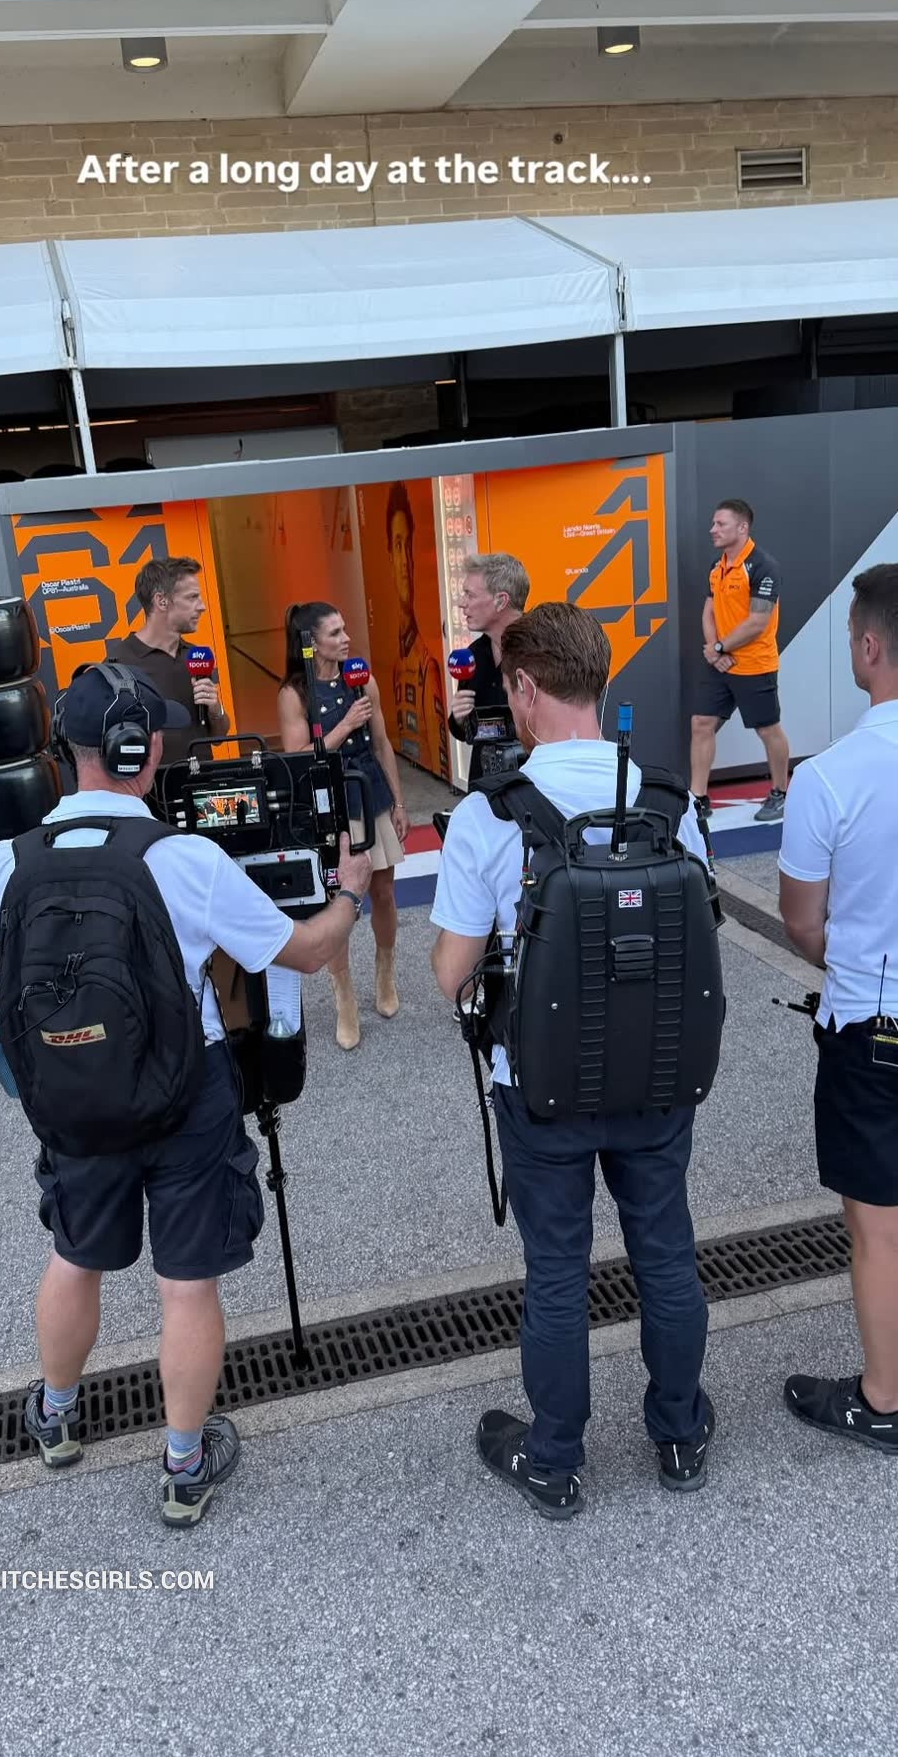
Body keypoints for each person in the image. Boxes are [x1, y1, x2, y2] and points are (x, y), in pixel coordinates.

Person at [0, 662, 373, 1526]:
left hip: (73, 1098)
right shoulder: (185, 858)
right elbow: (306, 952)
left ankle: (55, 1416)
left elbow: (1, 974)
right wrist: (350, 890)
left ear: (67, 749)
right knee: (186, 1286)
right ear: (142, 750)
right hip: (185, 1095)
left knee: (74, 1254)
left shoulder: (4, 864)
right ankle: (183, 1468)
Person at [431, 602, 715, 1519]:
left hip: (540, 1084)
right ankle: (679, 1433)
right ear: (598, 681)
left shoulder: (490, 813)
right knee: (665, 1251)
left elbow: (450, 975)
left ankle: (553, 1460)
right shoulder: (669, 801)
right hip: (660, 1077)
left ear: (523, 688)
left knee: (557, 1269)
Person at [778, 563, 898, 1454]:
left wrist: (850, 962)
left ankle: (884, 1399)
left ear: (868, 646)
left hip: (873, 1020)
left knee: (877, 1226)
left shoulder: (828, 778)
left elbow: (800, 920)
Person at [277, 601, 410, 1052]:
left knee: (384, 891)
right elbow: (298, 757)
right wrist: (344, 726)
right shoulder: (294, 693)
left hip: (371, 791)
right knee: (340, 902)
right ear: (311, 643)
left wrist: (399, 802)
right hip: (329, 802)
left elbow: (382, 744)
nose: (346, 638)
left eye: (344, 629)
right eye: (334, 633)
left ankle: (385, 973)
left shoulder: (362, 679)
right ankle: (344, 996)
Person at [690, 498, 789, 824]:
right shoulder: (716, 566)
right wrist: (713, 650)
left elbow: (758, 622)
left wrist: (719, 647)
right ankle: (698, 799)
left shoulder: (763, 566)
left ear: (742, 527)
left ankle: (780, 792)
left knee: (768, 729)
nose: (713, 529)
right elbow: (708, 612)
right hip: (720, 664)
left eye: (720, 524)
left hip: (754, 664)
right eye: (713, 523)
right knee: (701, 723)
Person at [107, 556, 230, 763]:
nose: (202, 606)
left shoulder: (196, 657)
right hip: (153, 782)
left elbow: (218, 736)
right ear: (161, 601)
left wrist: (215, 708)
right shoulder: (120, 665)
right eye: (192, 597)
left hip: (203, 777)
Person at [386, 481, 449, 780]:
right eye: (397, 545)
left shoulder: (428, 670)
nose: (405, 562)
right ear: (390, 556)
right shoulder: (397, 668)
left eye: (408, 545)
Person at [448, 552, 530, 745]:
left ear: (501, 601)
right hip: (483, 764)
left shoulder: (542, 652)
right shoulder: (472, 655)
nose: (461, 603)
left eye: (470, 594)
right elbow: (466, 733)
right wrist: (459, 720)